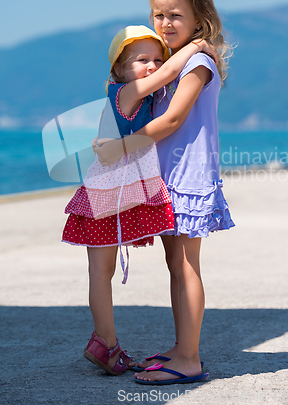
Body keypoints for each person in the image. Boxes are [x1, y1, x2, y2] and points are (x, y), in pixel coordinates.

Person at [94, 0, 235, 385]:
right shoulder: (175, 60)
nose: (165, 23)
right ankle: (180, 347)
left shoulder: (198, 62)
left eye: (176, 15)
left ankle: (189, 358)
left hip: (188, 177)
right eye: (158, 15)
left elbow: (173, 119)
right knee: (175, 263)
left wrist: (123, 147)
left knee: (187, 265)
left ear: (199, 17)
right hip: (166, 177)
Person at [62, 25, 215, 376]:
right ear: (119, 69)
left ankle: (106, 343)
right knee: (101, 271)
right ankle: (106, 343)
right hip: (109, 193)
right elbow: (169, 74)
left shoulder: (133, 96)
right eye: (141, 60)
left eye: (156, 57)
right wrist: (197, 46)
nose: (152, 65)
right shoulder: (126, 92)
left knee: (102, 270)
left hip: (108, 189)